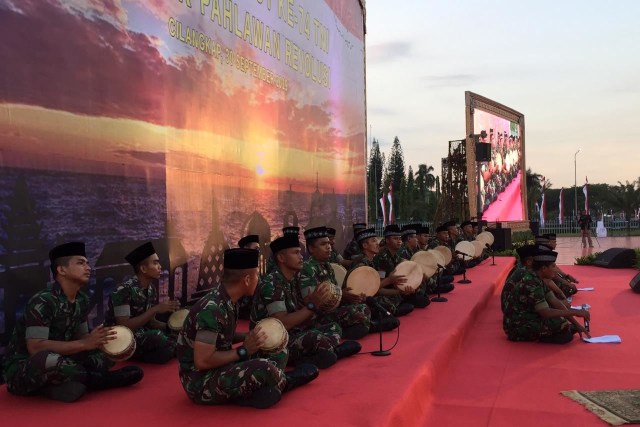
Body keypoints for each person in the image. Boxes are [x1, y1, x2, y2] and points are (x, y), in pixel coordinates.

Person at [177, 248, 318, 409]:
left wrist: (247, 337)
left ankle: (256, 389)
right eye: (257, 275)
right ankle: (286, 382)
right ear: (246, 280)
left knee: (278, 350)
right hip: (200, 382)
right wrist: (243, 350)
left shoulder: (227, 300)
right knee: (264, 367)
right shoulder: (212, 309)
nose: (259, 279)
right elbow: (202, 361)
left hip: (221, 367)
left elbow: (221, 336)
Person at [3, 242, 143, 402]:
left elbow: (82, 338)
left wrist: (96, 339)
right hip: (26, 367)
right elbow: (35, 347)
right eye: (80, 263)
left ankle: (65, 383)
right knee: (48, 359)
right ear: (61, 270)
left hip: (64, 357)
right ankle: (100, 380)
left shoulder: (81, 299)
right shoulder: (43, 301)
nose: (88, 267)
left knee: (106, 353)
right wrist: (85, 344)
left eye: (88, 263)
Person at [251, 236, 360, 369]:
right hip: (274, 340)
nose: (301, 257)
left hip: (293, 331)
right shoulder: (272, 283)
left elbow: (303, 313)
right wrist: (313, 305)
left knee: (333, 327)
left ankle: (323, 353)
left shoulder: (292, 279)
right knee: (315, 338)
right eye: (296, 253)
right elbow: (283, 323)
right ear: (281, 258)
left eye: (301, 252)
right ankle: (324, 353)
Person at [105, 242, 178, 364]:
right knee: (157, 337)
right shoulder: (123, 290)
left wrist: (170, 328)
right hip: (121, 338)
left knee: (174, 335)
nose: (160, 266)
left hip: (141, 333)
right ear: (143, 269)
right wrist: (155, 309)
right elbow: (124, 326)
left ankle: (166, 350)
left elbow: (150, 322)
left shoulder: (151, 289)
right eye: (155, 263)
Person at [298, 226, 374, 339]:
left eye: (329, 243)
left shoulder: (327, 266)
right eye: (323, 244)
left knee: (363, 306)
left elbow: (335, 294)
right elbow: (311, 303)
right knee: (360, 312)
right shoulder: (307, 269)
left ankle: (355, 329)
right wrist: (343, 295)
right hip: (317, 316)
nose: (329, 247)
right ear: (311, 248)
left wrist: (350, 297)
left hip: (332, 309)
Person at [502, 248, 590, 344]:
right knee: (561, 325)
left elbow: (555, 301)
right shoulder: (531, 282)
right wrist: (574, 312)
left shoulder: (537, 278)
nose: (555, 270)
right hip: (515, 327)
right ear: (543, 268)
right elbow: (546, 313)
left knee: (562, 322)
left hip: (527, 317)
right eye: (553, 266)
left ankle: (561, 331)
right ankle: (547, 336)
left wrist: (576, 323)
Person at [348, 227, 414, 317]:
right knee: (382, 302)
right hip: (356, 301)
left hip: (370, 296)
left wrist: (401, 291)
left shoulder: (370, 261)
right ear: (365, 246)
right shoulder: (361, 264)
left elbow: (377, 288)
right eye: (374, 241)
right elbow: (369, 290)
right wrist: (389, 280)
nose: (377, 243)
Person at [373, 224, 430, 309]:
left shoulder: (397, 257)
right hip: (386, 292)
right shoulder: (381, 258)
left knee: (423, 300)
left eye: (400, 239)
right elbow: (377, 287)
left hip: (396, 290)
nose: (399, 241)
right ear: (387, 240)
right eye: (395, 239)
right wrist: (398, 291)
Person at [237, 234, 260, 319]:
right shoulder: (238, 269)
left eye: (259, 249)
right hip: (242, 315)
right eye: (256, 249)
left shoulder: (253, 268)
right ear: (246, 249)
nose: (258, 252)